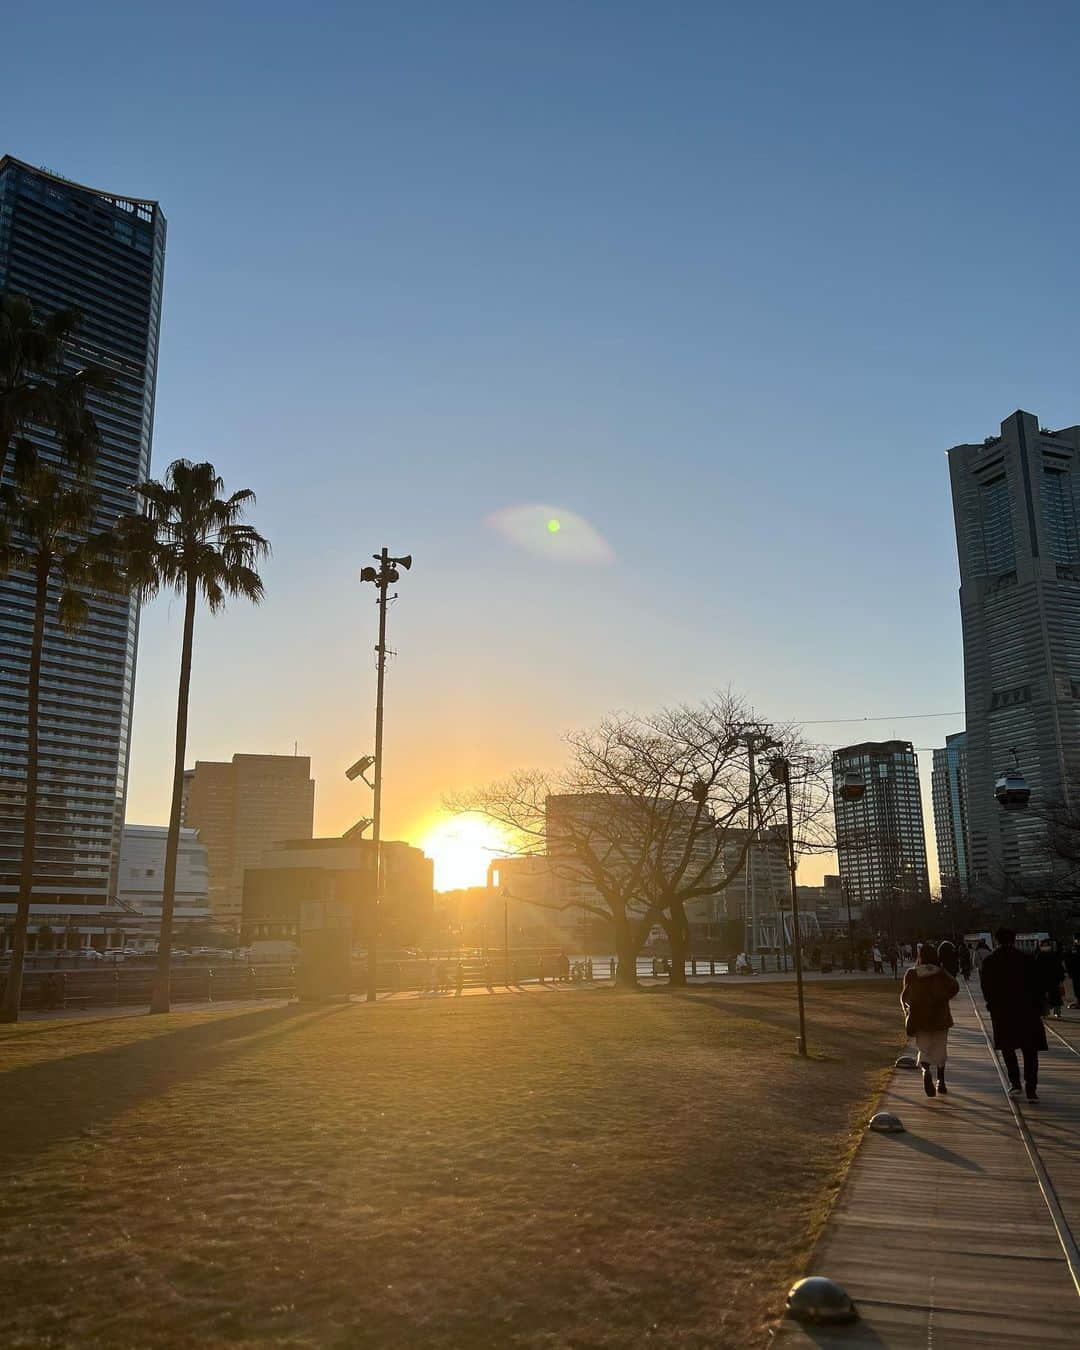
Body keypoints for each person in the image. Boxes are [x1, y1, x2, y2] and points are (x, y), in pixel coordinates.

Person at [980, 927, 1047, 1103]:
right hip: (1028, 1010)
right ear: (1014, 939)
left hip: (1003, 1011)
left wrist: (991, 1005)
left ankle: (1015, 1083)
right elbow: (1038, 985)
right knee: (1030, 1050)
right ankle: (1031, 1087)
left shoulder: (991, 961)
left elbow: (986, 988)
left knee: (1008, 1049)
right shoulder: (1027, 959)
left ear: (996, 940)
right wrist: (1040, 1006)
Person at [901, 940, 959, 1097]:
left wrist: (908, 1011)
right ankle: (941, 1081)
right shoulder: (940, 972)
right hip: (940, 1017)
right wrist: (944, 997)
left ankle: (926, 1071)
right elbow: (955, 987)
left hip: (920, 1018)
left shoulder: (912, 974)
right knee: (940, 1049)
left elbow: (904, 996)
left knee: (924, 1048)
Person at [1035, 940, 1065, 1020]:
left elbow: (1059, 967)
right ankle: (1045, 1012)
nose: (1045, 947)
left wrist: (1060, 978)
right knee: (1044, 996)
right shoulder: (1039, 955)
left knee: (1055, 996)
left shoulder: (1053, 955)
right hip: (1043, 979)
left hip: (1052, 979)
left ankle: (1056, 1012)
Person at [1066, 940, 1080, 1010]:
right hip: (1075, 972)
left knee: (1077, 987)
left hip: (1075, 972)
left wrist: (1069, 971)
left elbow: (1068, 961)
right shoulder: (1073, 950)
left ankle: (1078, 1002)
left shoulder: (1073, 950)